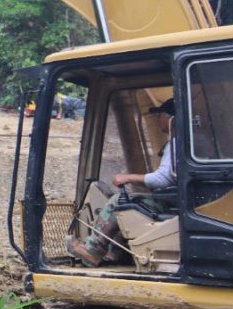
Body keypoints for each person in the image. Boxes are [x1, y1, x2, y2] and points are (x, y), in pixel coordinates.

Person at [67, 98, 176, 267]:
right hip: (178, 201)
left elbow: (162, 179)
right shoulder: (193, 141)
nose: (157, 119)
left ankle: (93, 251)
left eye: (160, 115)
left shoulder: (177, 143)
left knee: (118, 202)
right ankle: (115, 252)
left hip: (173, 203)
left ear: (171, 119)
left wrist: (128, 177)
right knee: (132, 201)